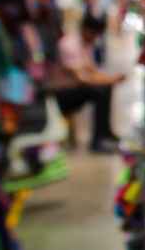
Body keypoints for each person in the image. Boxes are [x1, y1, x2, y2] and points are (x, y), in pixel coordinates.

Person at [53, 14, 124, 153]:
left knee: (105, 88)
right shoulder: (69, 45)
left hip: (74, 88)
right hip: (62, 93)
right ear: (86, 30)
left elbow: (92, 70)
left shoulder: (86, 44)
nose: (96, 38)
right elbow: (82, 78)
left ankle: (105, 133)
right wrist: (110, 80)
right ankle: (98, 140)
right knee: (99, 91)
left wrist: (110, 79)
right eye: (95, 34)